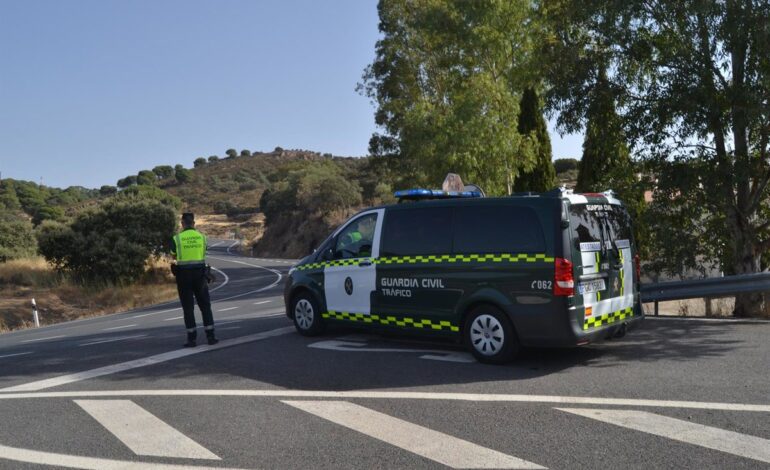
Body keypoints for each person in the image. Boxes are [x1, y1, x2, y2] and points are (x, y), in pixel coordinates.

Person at [170, 212, 218, 347]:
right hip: (200, 275)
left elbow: (173, 256)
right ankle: (211, 336)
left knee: (188, 308)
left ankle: (192, 339)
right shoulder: (202, 237)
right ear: (194, 223)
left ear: (182, 223)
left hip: (183, 276)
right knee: (205, 306)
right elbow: (204, 252)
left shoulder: (176, 239)